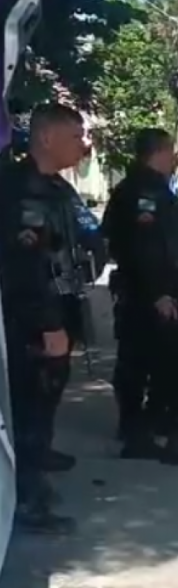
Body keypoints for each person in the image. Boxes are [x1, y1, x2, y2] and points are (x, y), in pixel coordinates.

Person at [102, 128, 178, 470]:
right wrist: (159, 293)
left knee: (137, 363)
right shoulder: (145, 193)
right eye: (172, 154)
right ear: (160, 153)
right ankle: (177, 437)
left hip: (143, 292)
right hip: (155, 294)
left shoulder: (134, 190)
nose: (175, 161)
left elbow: (168, 247)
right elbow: (144, 247)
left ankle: (139, 431)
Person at [0, 102, 90, 534]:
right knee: (29, 408)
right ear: (47, 138)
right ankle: (28, 502)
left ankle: (39, 465)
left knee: (48, 398)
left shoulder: (56, 188)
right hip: (33, 321)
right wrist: (47, 324)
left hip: (61, 306)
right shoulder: (22, 190)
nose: (83, 145)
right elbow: (22, 268)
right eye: (76, 136)